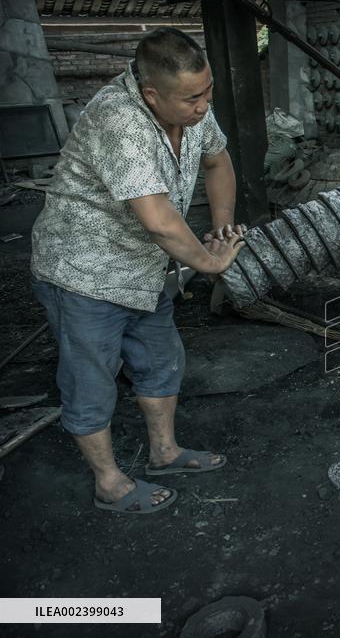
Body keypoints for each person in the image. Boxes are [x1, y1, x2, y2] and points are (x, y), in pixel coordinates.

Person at [30, 27, 246, 515]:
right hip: (83, 270)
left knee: (160, 358)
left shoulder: (193, 108)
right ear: (152, 94)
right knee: (91, 379)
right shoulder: (118, 121)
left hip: (143, 270)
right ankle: (108, 482)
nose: (203, 105)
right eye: (192, 97)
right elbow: (161, 223)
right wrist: (211, 262)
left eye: (207, 90)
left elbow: (217, 162)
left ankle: (164, 453)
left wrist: (222, 229)